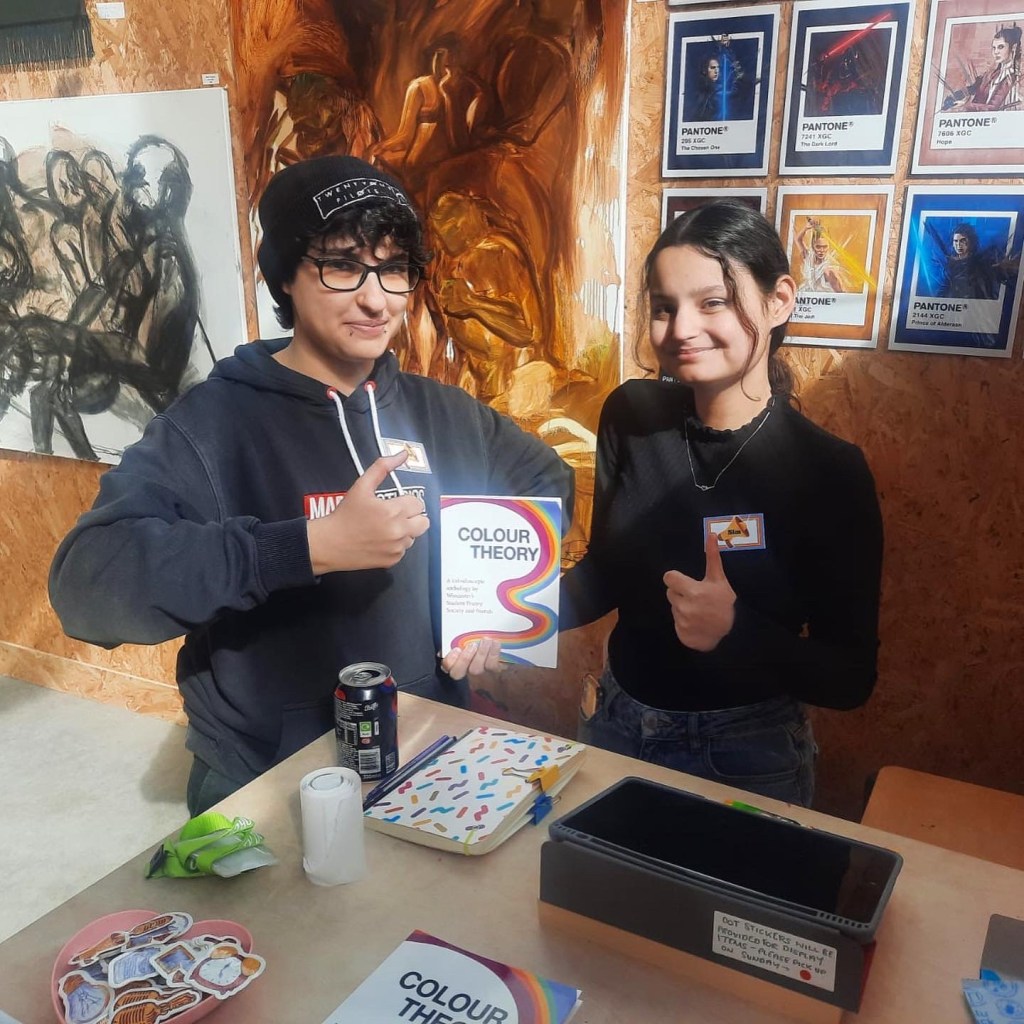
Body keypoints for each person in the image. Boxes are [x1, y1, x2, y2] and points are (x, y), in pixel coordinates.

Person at [49, 155, 574, 815]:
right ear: (286, 277)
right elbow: (86, 587)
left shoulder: (439, 411)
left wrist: (491, 609)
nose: (376, 297)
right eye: (343, 266)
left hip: (426, 748)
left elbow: (543, 479)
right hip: (266, 776)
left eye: (394, 268)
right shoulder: (212, 425)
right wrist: (305, 547)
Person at [561, 200, 882, 807]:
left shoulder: (829, 474)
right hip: (614, 724)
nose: (681, 329)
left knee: (726, 908)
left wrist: (737, 629)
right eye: (664, 306)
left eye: (713, 302)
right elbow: (607, 572)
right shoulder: (630, 415)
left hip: (742, 753)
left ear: (780, 300)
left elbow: (849, 676)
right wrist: (509, 614)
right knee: (598, 903)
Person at [942, 25, 1021, 112]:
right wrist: (956, 96)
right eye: (994, 48)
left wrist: (965, 106)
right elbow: (974, 88)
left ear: (1013, 47)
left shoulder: (1015, 76)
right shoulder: (992, 75)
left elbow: (993, 107)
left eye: (1001, 47)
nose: (996, 52)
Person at [795, 218, 846, 294]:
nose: (822, 250)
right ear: (813, 246)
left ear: (829, 246)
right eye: (818, 247)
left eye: (825, 246)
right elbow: (798, 239)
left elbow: (842, 294)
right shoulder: (809, 257)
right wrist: (806, 228)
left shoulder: (830, 270)